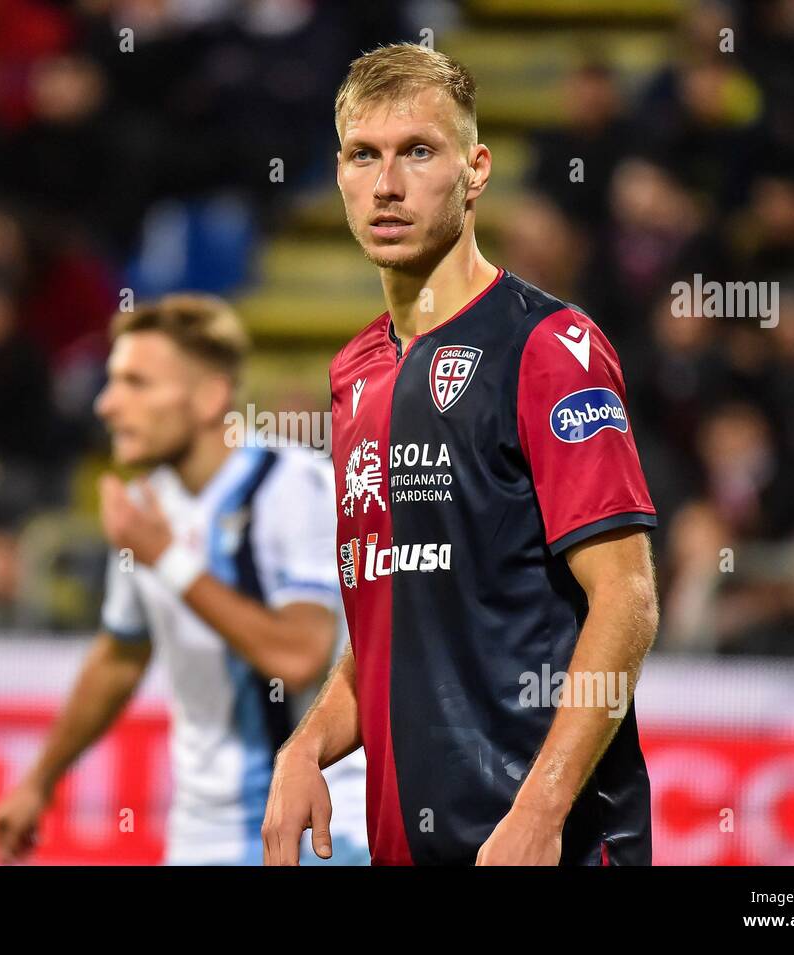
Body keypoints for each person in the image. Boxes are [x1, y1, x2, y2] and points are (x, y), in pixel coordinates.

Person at [262, 44, 660, 866]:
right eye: (361, 155)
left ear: (476, 170)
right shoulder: (354, 373)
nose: (386, 184)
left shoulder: (551, 347)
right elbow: (396, 620)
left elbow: (626, 600)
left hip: (548, 844)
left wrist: (541, 812)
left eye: (418, 152)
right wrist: (306, 745)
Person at [0, 294, 368, 865]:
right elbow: (119, 656)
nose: (107, 404)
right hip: (201, 835)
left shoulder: (295, 488)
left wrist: (166, 558)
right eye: (113, 381)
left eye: (136, 383)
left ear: (210, 397)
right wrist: (38, 780)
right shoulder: (150, 507)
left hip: (319, 827)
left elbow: (298, 656)